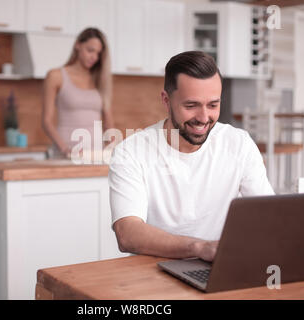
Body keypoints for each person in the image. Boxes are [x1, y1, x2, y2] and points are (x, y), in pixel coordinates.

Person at [108, 51, 275, 262]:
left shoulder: (239, 144)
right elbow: (127, 233)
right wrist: (199, 248)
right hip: (153, 274)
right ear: (166, 101)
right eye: (191, 106)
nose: (204, 118)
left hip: (217, 270)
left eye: (213, 105)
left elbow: (270, 215)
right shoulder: (130, 152)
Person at [42, 28, 114, 159]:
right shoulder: (56, 76)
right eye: (90, 50)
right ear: (78, 45)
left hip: (95, 155)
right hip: (66, 152)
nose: (94, 57)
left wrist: (113, 149)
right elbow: (46, 121)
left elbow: (108, 123)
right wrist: (65, 150)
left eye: (98, 54)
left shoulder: (100, 80)